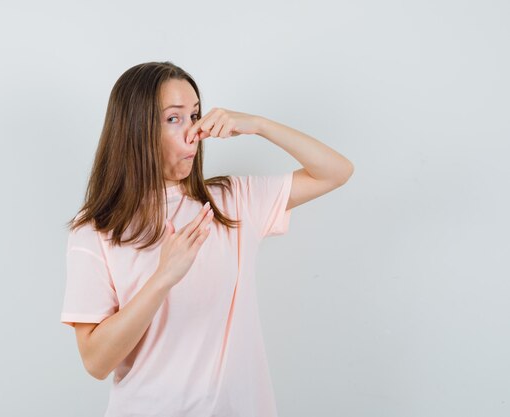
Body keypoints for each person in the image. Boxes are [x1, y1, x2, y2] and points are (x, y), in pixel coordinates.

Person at [60, 61, 354, 417]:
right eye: (174, 118)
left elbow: (336, 172)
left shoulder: (231, 200)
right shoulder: (96, 229)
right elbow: (96, 361)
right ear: (136, 129)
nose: (193, 132)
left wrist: (258, 125)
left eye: (195, 115)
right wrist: (164, 277)